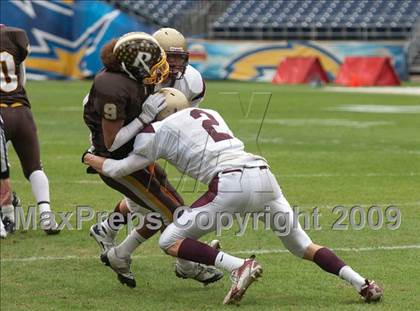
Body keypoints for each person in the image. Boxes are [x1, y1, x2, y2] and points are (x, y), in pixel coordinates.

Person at [83, 90, 384, 305]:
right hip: (263, 173)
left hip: (230, 182)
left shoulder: (158, 129)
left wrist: (89, 158)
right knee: (304, 246)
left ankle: (238, 265)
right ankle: (363, 284)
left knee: (169, 240)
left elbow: (118, 167)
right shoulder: (211, 112)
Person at [83, 33, 221, 287]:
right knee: (172, 211)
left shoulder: (149, 77)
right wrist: (145, 117)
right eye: (163, 61)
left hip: (141, 150)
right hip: (118, 157)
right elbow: (110, 139)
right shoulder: (113, 87)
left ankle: (119, 251)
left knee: (162, 206)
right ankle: (189, 263)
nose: (166, 69)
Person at [0, 25, 59, 234]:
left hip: (0, 115)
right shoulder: (15, 42)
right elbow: (22, 80)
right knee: (34, 167)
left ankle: (5, 218)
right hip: (22, 111)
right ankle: (46, 216)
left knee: (1, 170)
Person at [153, 27, 205, 106]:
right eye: (168, 56)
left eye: (178, 57)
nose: (173, 62)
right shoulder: (140, 78)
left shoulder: (192, 80)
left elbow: (187, 115)